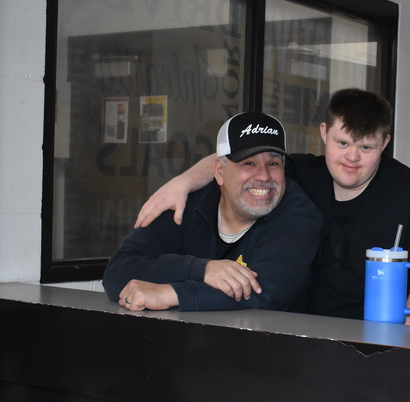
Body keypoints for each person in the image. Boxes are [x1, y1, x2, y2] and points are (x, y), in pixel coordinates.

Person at [134, 89, 410, 326]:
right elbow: (237, 159)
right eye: (343, 143)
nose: (352, 157)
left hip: (378, 341)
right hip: (306, 335)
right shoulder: (303, 172)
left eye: (366, 147)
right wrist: (181, 183)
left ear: (385, 143)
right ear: (324, 133)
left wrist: (397, 342)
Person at [103, 111, 322, 312]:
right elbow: (117, 272)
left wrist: (172, 293)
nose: (264, 176)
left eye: (273, 163)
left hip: (273, 349)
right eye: (249, 163)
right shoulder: (184, 207)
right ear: (219, 171)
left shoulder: (298, 215)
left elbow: (264, 292)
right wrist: (200, 269)